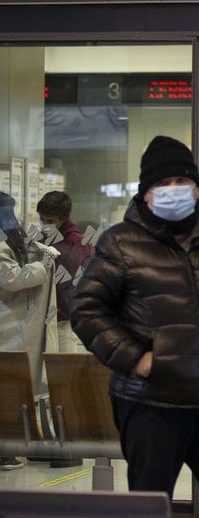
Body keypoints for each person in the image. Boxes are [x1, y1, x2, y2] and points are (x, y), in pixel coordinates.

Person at [71, 136, 199, 497]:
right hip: (150, 403)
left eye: (182, 182)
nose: (173, 190)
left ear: (196, 187)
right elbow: (86, 308)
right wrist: (138, 359)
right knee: (150, 503)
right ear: (145, 192)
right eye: (163, 184)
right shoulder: (121, 243)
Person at [0, 191, 52, 472]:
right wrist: (43, 264)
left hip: (12, 327)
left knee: (13, 388)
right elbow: (12, 278)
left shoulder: (11, 239)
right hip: (5, 328)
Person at [36, 190, 92, 354]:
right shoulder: (42, 238)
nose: (45, 223)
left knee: (62, 371)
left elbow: (73, 286)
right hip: (43, 317)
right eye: (42, 218)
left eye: (50, 220)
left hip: (63, 320)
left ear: (63, 218)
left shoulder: (78, 244)